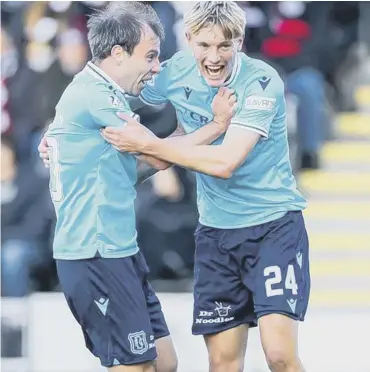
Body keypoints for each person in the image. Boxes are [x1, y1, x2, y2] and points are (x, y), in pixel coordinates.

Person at [40, 2, 310, 372]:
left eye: (224, 46)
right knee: (221, 362)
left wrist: (152, 143)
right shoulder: (169, 74)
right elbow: (108, 91)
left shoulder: (261, 81)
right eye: (204, 46)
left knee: (278, 355)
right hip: (213, 235)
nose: (214, 57)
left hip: (272, 228)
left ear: (240, 42)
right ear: (188, 41)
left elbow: (224, 162)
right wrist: (59, 138)